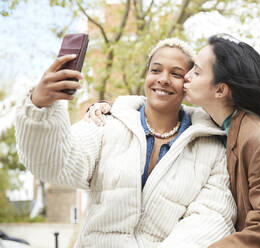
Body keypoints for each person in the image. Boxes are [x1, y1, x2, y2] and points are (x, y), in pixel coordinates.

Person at [15, 38, 236, 248]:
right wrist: (40, 106)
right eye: (156, 70)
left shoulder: (212, 145)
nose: (163, 79)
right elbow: (55, 165)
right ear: (146, 76)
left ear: (187, 83)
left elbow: (211, 218)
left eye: (176, 74)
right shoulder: (105, 123)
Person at [88, 34, 260, 248]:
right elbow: (153, 106)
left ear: (220, 90)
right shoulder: (212, 125)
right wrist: (109, 108)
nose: (187, 76)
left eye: (197, 71)